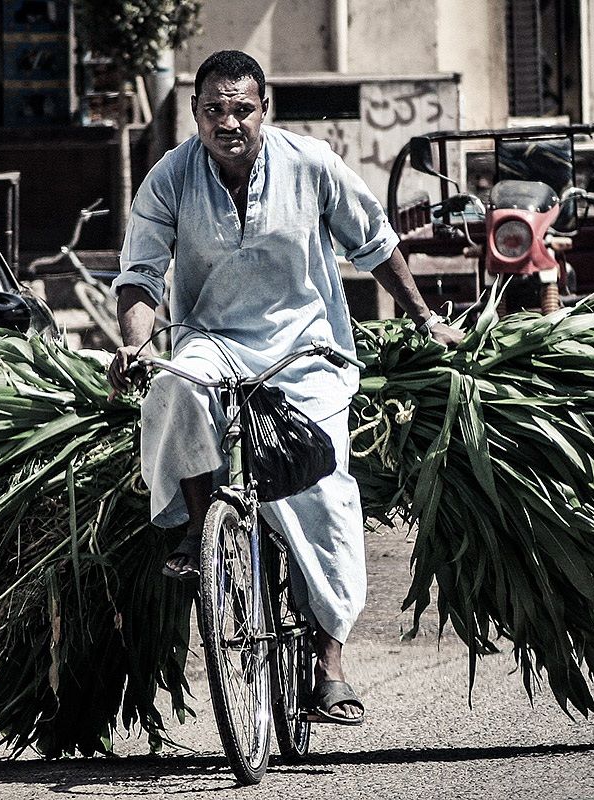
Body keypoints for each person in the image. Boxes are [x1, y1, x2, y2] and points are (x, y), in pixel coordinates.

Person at [106, 50, 463, 724]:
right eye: (214, 109)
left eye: (242, 108)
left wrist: (424, 318)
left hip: (306, 349)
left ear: (264, 110)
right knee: (174, 390)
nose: (228, 121)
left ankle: (329, 666)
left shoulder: (311, 163)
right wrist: (133, 341)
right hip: (213, 340)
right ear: (196, 115)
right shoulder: (171, 178)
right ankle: (197, 524)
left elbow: (375, 242)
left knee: (326, 490)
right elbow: (141, 274)